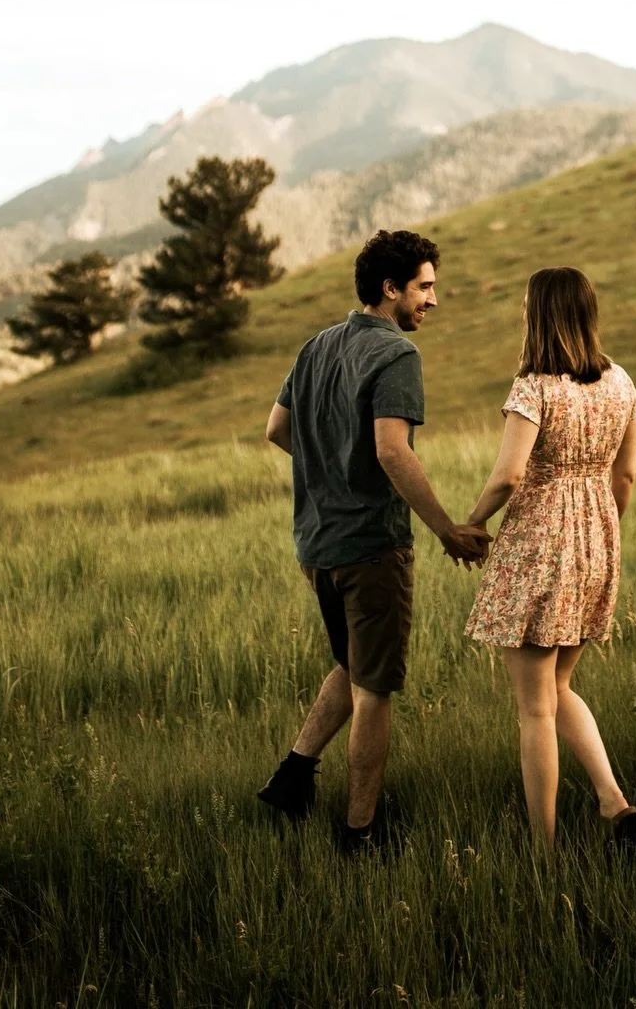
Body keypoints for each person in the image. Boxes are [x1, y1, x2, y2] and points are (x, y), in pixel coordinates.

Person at [259, 228, 489, 849]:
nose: (433, 299)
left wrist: (329, 468)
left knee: (353, 663)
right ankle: (360, 831)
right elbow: (392, 451)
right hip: (371, 547)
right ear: (390, 289)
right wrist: (447, 529)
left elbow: (276, 429)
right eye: (424, 287)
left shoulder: (315, 346)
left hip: (317, 545)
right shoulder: (396, 354)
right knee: (374, 688)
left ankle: (293, 775)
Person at [464, 266, 636, 852]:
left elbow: (509, 476)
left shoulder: (534, 387)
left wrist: (471, 523)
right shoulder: (621, 383)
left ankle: (543, 852)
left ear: (537, 315)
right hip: (597, 543)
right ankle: (613, 802)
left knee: (535, 709)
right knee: (559, 686)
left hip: (539, 549)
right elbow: (625, 476)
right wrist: (600, 535)